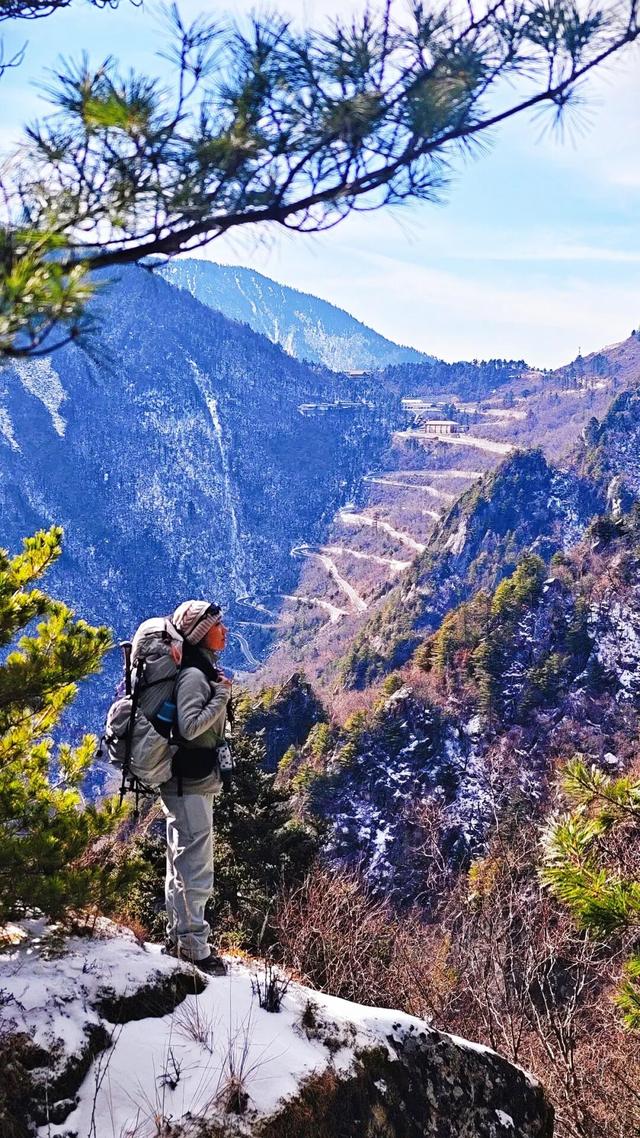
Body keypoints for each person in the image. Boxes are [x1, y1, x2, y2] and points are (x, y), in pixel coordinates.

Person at [160, 599, 232, 975]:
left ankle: (180, 938)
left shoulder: (200, 670)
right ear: (203, 635)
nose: (225, 631)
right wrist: (221, 696)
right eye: (218, 627)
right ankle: (194, 948)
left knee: (180, 859)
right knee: (196, 865)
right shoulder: (193, 676)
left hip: (186, 783)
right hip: (190, 784)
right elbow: (189, 727)